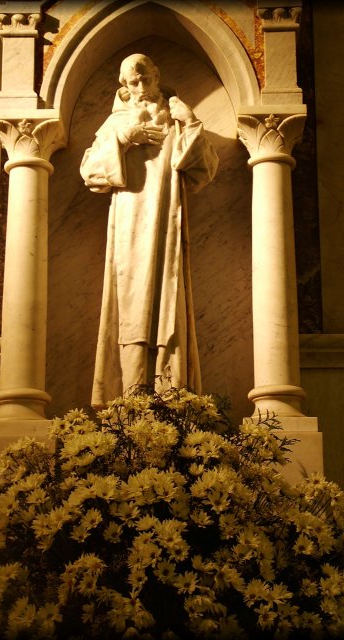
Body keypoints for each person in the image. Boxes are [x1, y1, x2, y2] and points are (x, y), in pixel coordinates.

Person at [80, 53, 218, 407]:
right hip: (129, 222)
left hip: (167, 221)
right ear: (124, 87)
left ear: (157, 77)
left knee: (166, 297)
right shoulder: (116, 123)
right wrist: (126, 138)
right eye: (132, 82)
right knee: (131, 300)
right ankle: (130, 398)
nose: (140, 87)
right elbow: (91, 171)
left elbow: (204, 169)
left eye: (145, 79)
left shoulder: (175, 119)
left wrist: (190, 123)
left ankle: (169, 396)